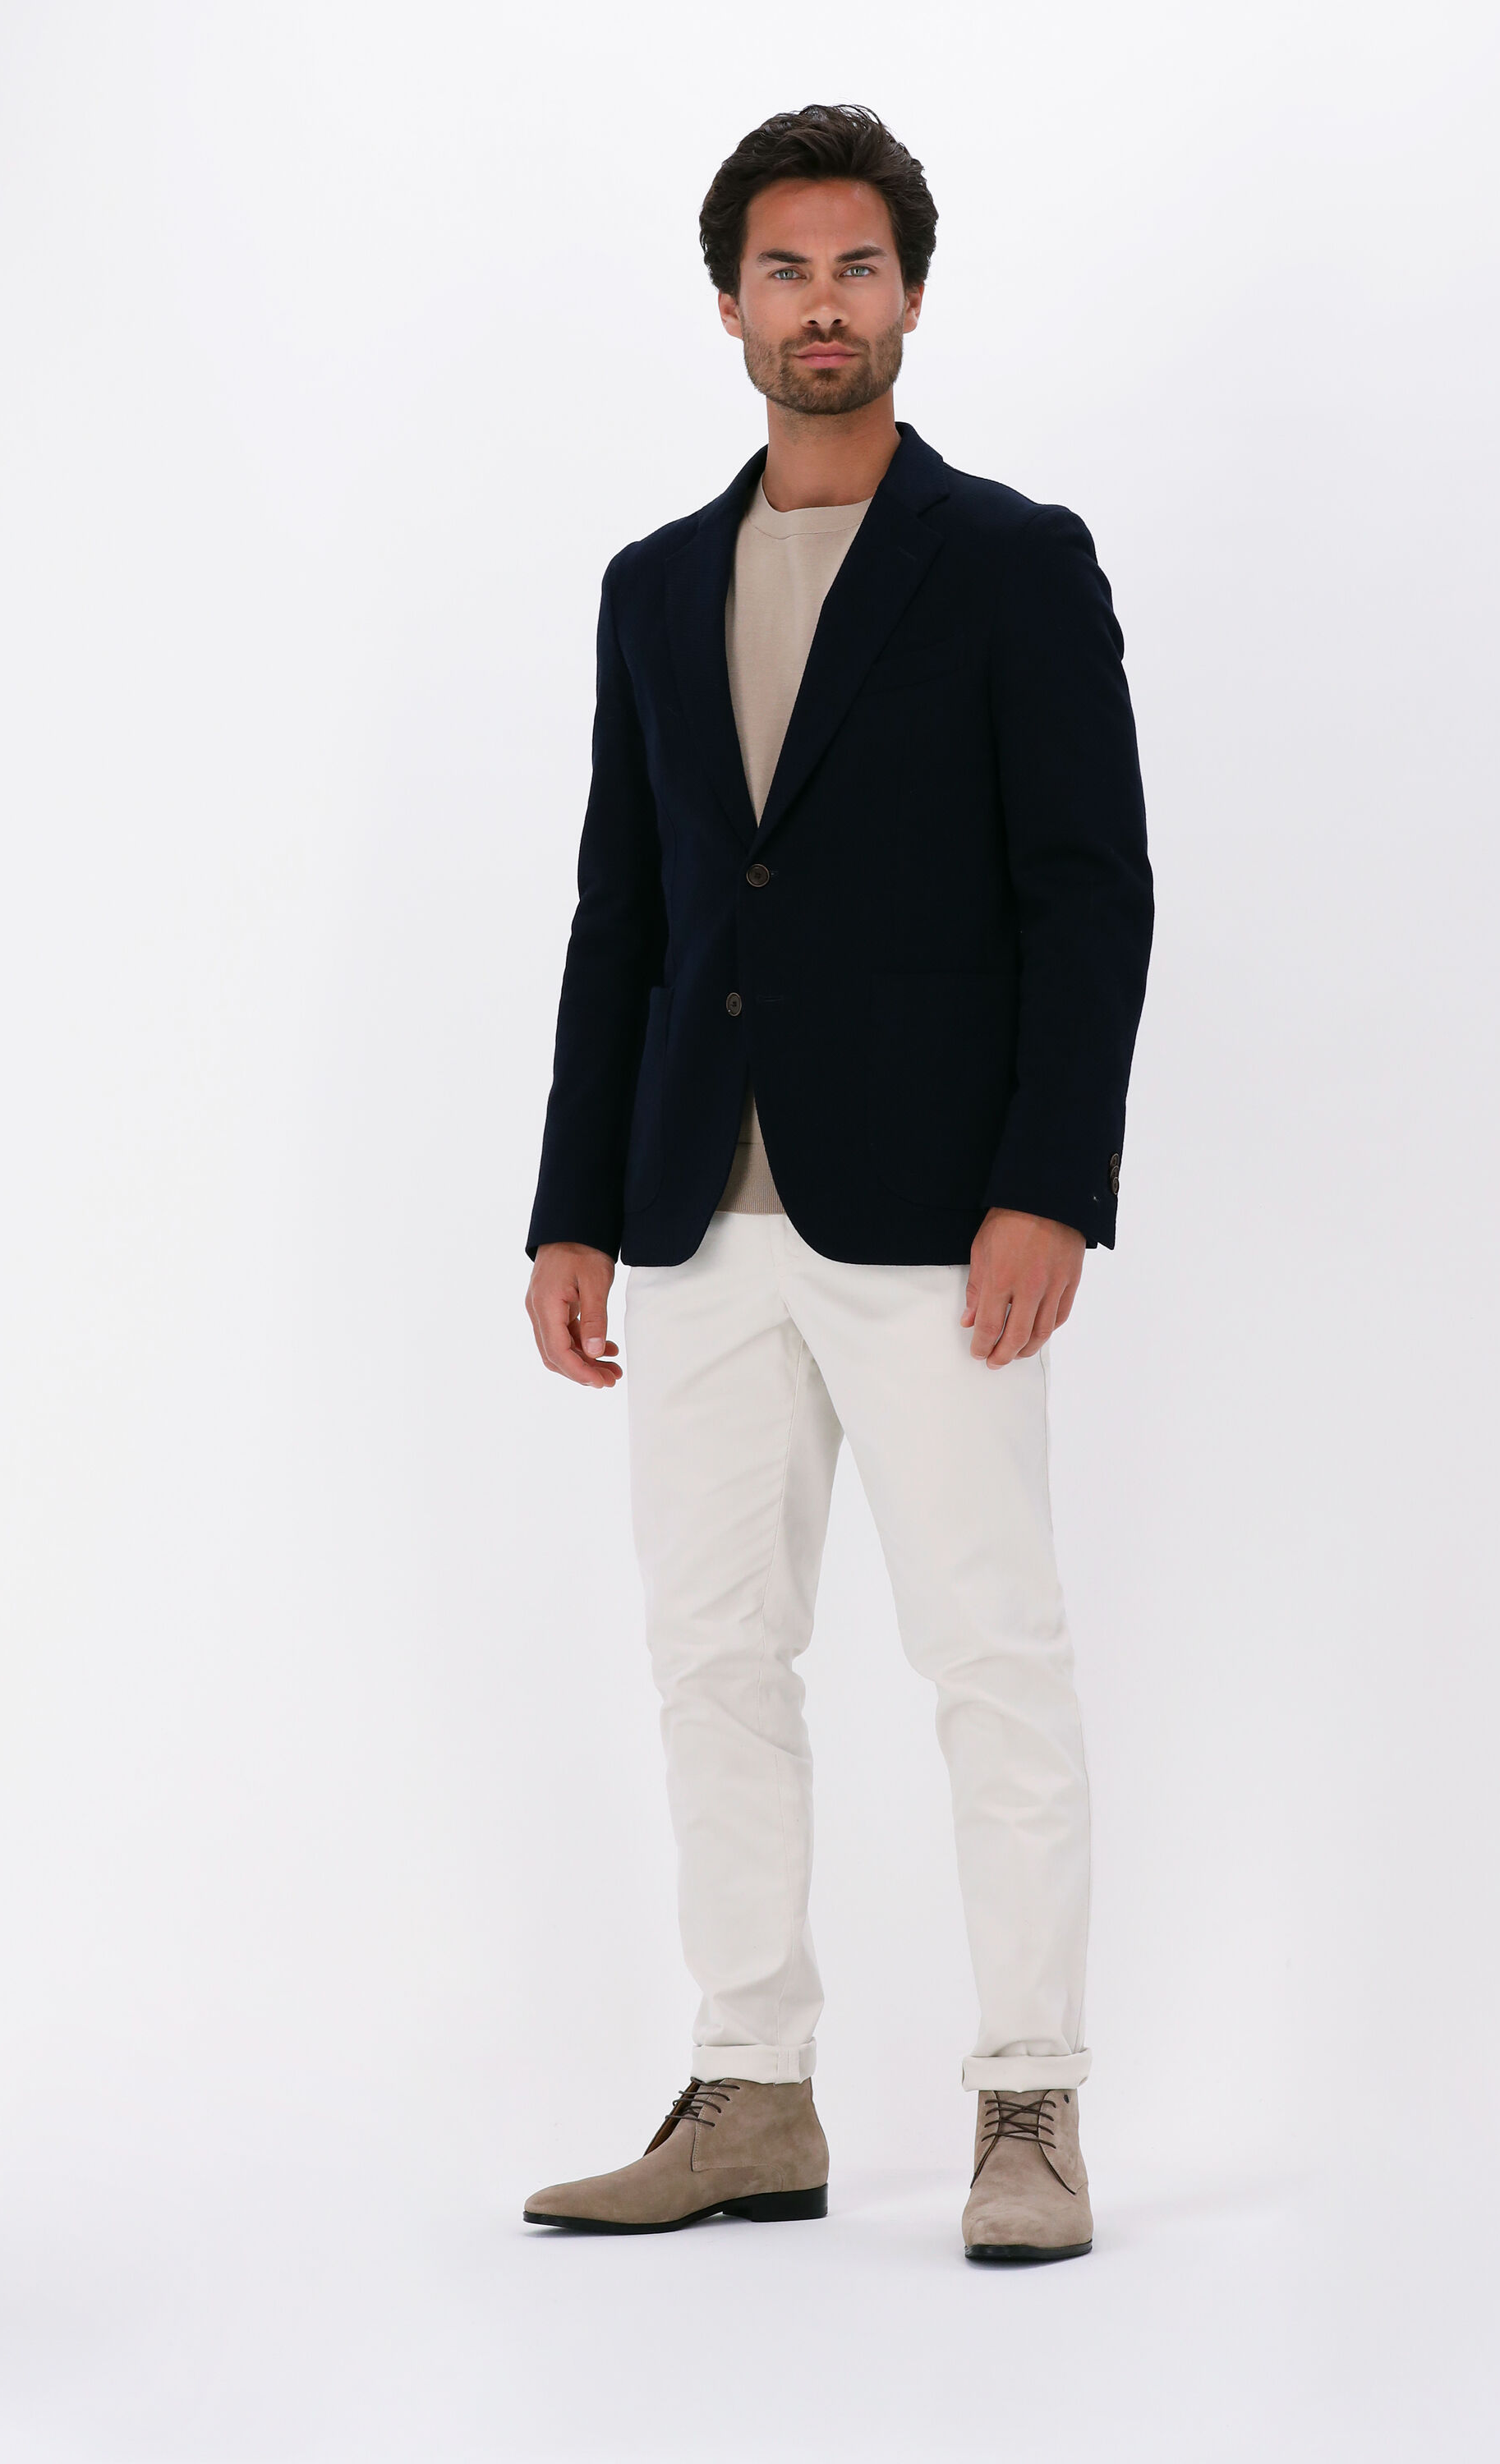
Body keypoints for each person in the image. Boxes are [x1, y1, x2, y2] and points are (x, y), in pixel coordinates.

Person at [520, 103, 1153, 2264]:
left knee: (991, 1655)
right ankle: (751, 2093)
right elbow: (625, 913)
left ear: (909, 296)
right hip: (698, 1214)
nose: (821, 305)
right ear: (729, 306)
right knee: (713, 1657)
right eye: (783, 270)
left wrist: (1049, 1179)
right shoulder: (653, 584)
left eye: (855, 268)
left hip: (937, 1221)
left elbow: (1087, 892)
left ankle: (1029, 2104)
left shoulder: (1011, 562)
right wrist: (573, 1205)